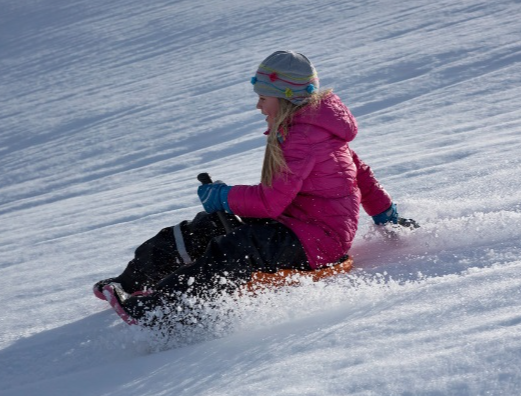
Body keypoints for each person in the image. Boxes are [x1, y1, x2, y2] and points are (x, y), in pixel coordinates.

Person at [94, 50, 415, 327]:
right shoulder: (315, 130)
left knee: (237, 246)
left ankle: (163, 311)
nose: (259, 107)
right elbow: (363, 177)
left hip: (316, 240)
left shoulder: (304, 138)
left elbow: (270, 203)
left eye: (263, 98)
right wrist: (386, 214)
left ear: (287, 98)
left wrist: (223, 196)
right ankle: (130, 282)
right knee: (208, 227)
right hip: (297, 225)